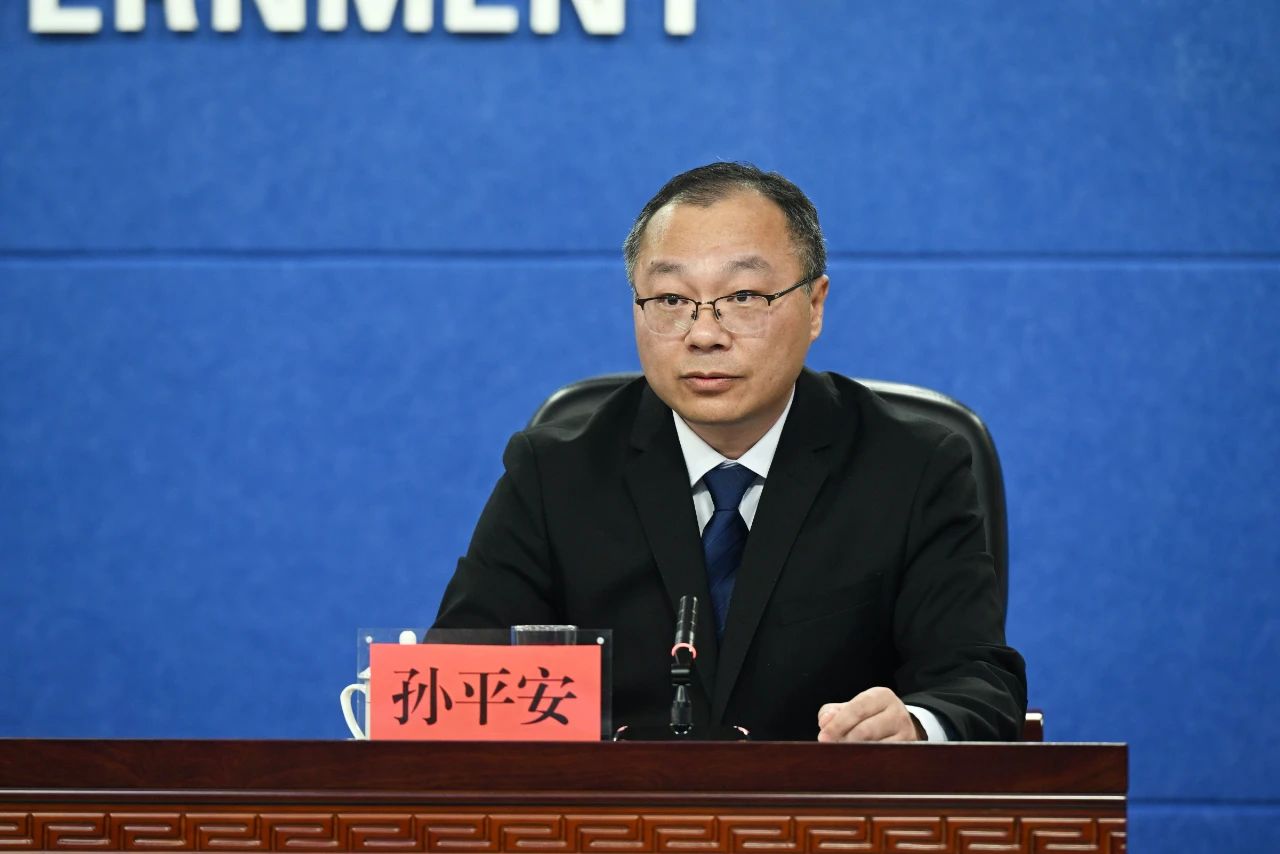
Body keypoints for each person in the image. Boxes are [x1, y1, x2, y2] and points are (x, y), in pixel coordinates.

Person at [434, 162, 1026, 741]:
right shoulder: (555, 473)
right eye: (671, 300)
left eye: (743, 296)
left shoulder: (913, 468)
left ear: (815, 305)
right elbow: (455, 686)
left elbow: (976, 682)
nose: (704, 334)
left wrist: (916, 727)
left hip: (824, 802)